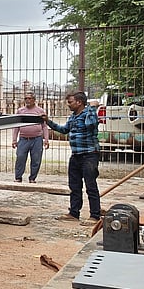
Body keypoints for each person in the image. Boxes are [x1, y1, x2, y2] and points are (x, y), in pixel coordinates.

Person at [46, 91, 101, 224]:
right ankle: (74, 213)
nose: (68, 105)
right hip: (76, 155)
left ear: (79, 102)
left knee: (90, 186)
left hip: (89, 155)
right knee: (74, 186)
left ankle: (95, 215)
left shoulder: (89, 114)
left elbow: (91, 125)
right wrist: (47, 121)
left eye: (70, 102)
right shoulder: (73, 117)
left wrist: (92, 108)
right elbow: (64, 129)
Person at [12, 93, 49, 183]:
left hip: (37, 139)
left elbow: (44, 126)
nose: (28, 100)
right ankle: (18, 177)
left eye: (30, 98)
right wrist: (14, 139)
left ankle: (32, 178)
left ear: (34, 100)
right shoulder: (20, 111)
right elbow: (16, 126)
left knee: (36, 159)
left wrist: (46, 140)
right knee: (20, 157)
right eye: (26, 98)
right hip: (23, 139)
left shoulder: (40, 111)